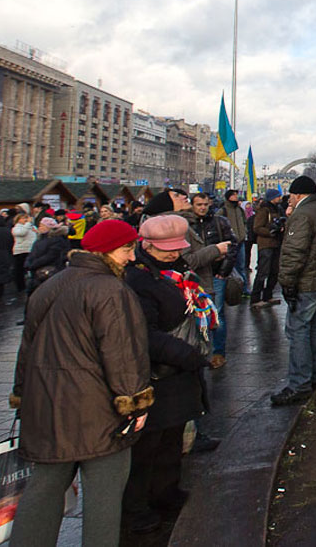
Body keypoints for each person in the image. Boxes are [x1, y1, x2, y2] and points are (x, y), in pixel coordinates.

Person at [8, 221, 152, 547]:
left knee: (42, 490)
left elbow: (27, 349)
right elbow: (122, 353)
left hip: (45, 408)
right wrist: (134, 402)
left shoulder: (50, 286)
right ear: (107, 251)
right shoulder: (111, 290)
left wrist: (21, 394)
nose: (131, 257)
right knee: (104, 498)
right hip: (96, 411)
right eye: (127, 249)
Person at [122, 215, 211, 534]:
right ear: (146, 247)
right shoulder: (139, 280)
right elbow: (145, 333)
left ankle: (166, 491)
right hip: (157, 372)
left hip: (178, 373)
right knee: (148, 445)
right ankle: (136, 507)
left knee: (172, 435)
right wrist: (186, 354)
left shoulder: (177, 272)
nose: (173, 254)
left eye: (176, 249)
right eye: (166, 250)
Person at [272, 176, 316, 406]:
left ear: (297, 194)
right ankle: (314, 376)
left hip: (305, 282)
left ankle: (299, 383)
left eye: (291, 195)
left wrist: (287, 283)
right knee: (313, 328)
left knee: (298, 330)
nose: (289, 198)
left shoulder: (303, 214)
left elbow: (294, 253)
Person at [180, 192, 233, 368]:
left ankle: (218, 352)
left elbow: (231, 246)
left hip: (216, 275)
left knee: (216, 315)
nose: (202, 208)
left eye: (205, 204)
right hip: (194, 277)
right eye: (198, 204)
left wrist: (224, 271)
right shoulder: (186, 225)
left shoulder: (219, 222)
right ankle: (200, 351)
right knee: (196, 315)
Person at [251, 189, 284, 307]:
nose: (280, 198)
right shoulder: (264, 210)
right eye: (278, 196)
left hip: (276, 243)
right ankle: (255, 298)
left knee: (274, 271)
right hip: (265, 244)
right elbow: (257, 227)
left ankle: (268, 295)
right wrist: (271, 231)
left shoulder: (278, 209)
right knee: (263, 271)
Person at [24, 218, 70, 289]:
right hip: (37, 271)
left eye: (42, 226)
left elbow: (50, 256)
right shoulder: (40, 239)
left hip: (49, 272)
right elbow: (33, 253)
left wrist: (33, 264)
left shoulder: (57, 240)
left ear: (49, 227)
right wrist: (28, 262)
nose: (39, 227)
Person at [222, 189, 249, 289]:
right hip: (230, 242)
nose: (236, 197)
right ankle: (232, 289)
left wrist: (244, 232)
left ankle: (244, 288)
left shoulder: (239, 209)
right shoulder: (223, 210)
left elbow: (244, 221)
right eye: (234, 195)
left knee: (241, 266)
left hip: (241, 241)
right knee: (230, 266)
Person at [11, 212, 37, 294]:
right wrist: (28, 224)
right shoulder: (16, 228)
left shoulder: (30, 227)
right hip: (21, 251)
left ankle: (32, 285)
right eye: (23, 218)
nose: (25, 220)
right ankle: (20, 287)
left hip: (31, 250)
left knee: (32, 268)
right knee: (19, 270)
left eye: (26, 218)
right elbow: (21, 233)